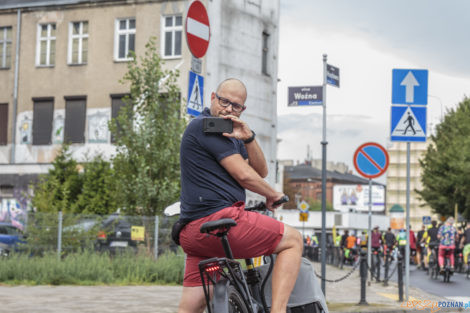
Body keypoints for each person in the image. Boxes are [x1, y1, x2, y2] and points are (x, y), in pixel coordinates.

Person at [177, 78, 303, 313]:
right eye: (224, 101)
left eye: (236, 106)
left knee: (189, 308)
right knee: (293, 240)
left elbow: (261, 170)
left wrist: (248, 137)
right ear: (213, 97)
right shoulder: (205, 126)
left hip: (193, 232)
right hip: (221, 219)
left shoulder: (230, 134)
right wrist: (272, 194)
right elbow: (244, 175)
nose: (228, 109)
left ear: (242, 109)